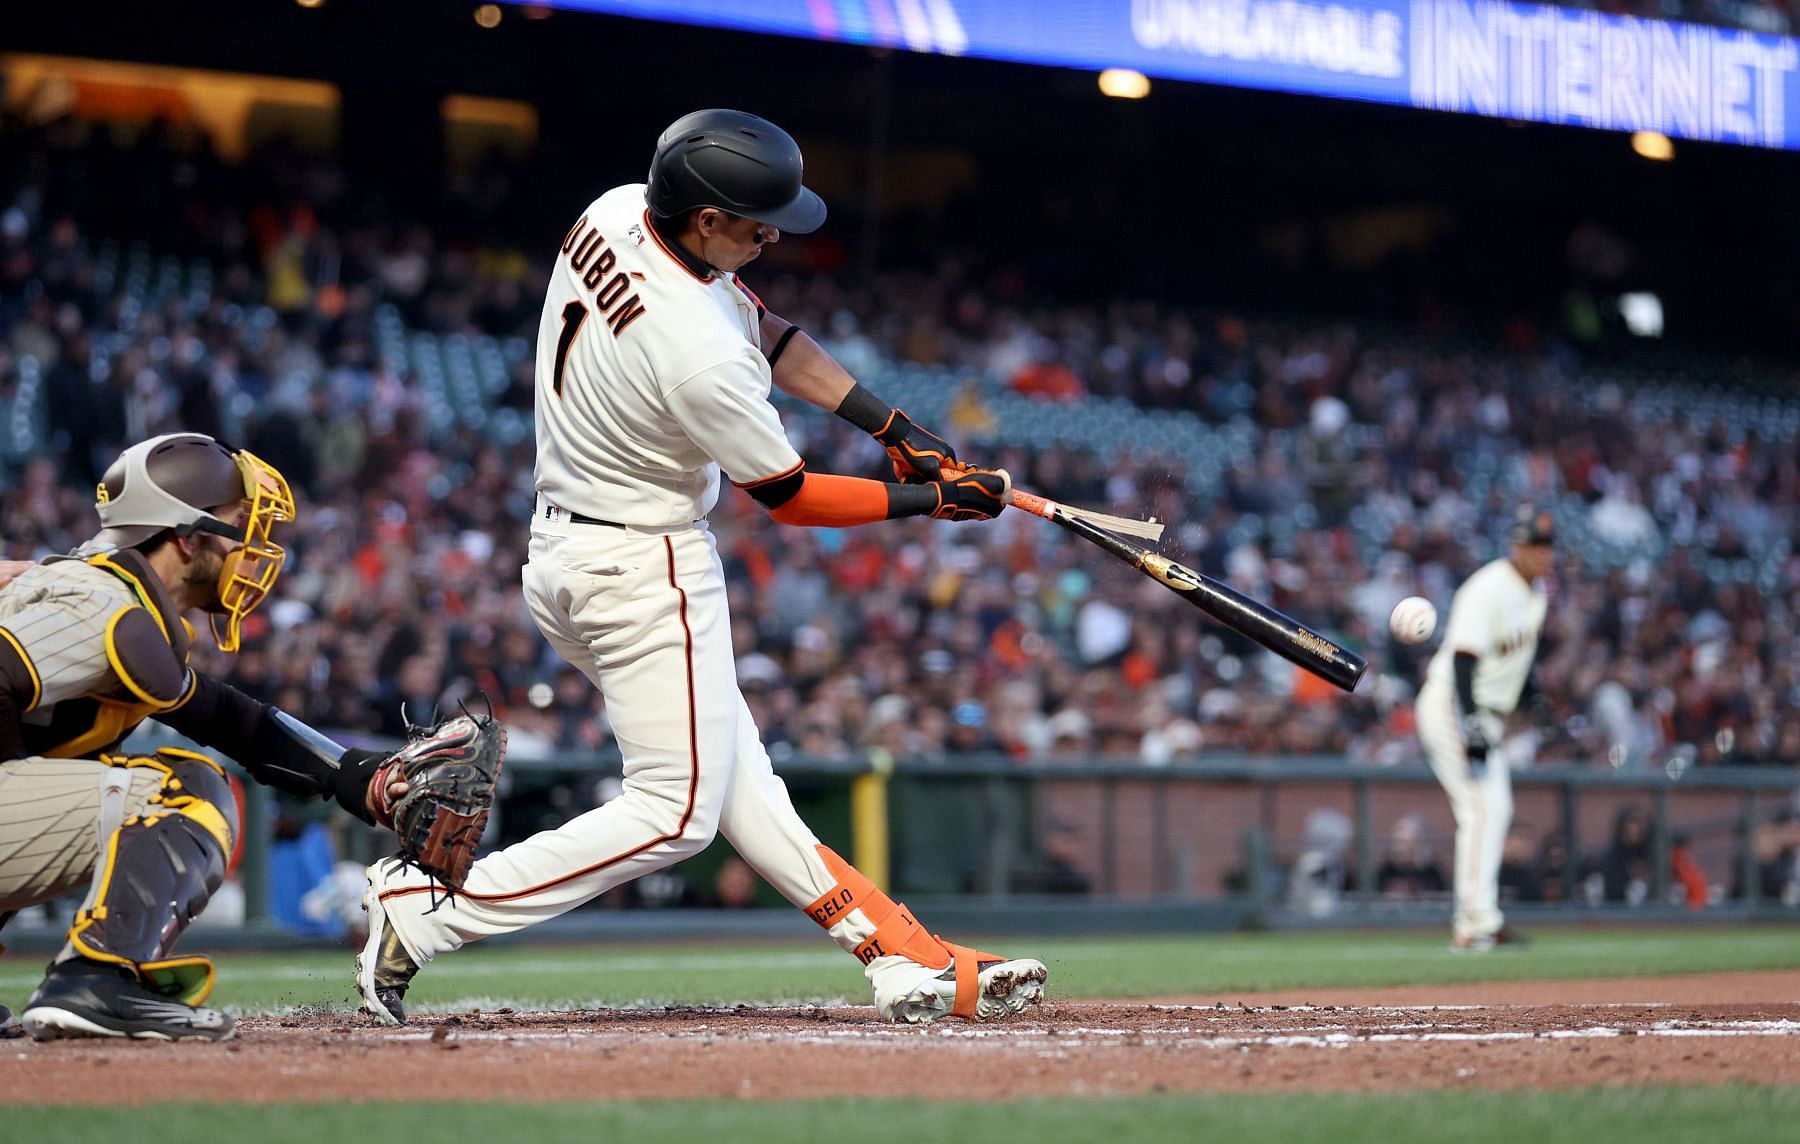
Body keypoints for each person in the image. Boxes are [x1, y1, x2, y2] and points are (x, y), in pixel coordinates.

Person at [359, 110, 1047, 1025]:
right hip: (643, 565)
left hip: (566, 551)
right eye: (754, 221)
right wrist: (934, 502)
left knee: (734, 779)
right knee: (678, 812)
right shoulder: (697, 354)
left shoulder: (615, 211)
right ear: (702, 216)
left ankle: (896, 955)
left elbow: (773, 332)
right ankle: (432, 910)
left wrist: (894, 429)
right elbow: (791, 495)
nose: (772, 235)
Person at [0, 433, 408, 1040]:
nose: (255, 547)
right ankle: (99, 978)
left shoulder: (125, 604)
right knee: (183, 791)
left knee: (105, 771)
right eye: (239, 525)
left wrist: (353, 774)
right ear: (187, 538)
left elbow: (225, 718)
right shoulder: (97, 598)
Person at [1415, 505, 1553, 952]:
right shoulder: (1488, 587)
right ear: (1516, 546)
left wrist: (1535, 699)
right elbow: (1463, 657)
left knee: (1496, 808)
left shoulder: (1537, 593)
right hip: (1453, 704)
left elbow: (1517, 661)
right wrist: (1472, 718)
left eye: (1548, 546)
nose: (1543, 554)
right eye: (1535, 545)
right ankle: (1475, 924)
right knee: (1480, 809)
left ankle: (1481, 919)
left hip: (1484, 712)